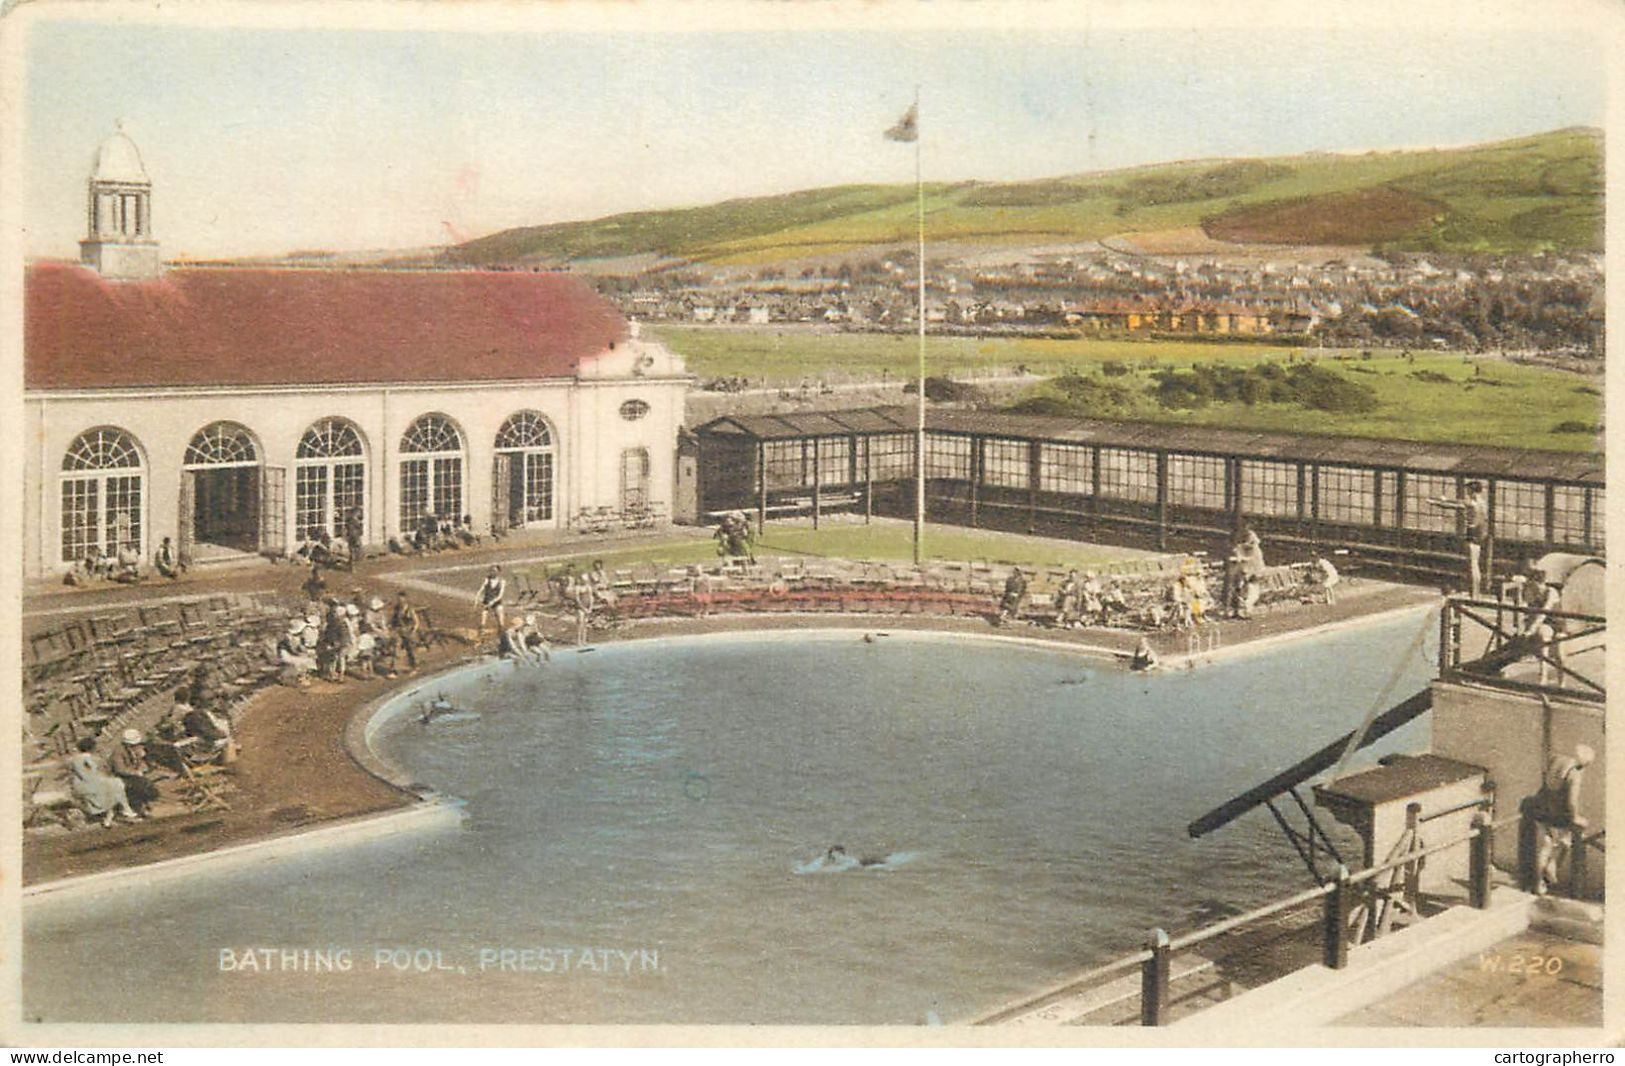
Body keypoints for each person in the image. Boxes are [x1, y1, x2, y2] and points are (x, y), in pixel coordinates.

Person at [1527, 744, 1595, 896]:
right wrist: (1576, 817)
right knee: (1571, 834)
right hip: (1558, 812)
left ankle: (1538, 884)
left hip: (1542, 806)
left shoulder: (1557, 759)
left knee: (1546, 844)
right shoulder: (1575, 773)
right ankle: (1554, 864)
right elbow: (1572, 801)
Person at [1428, 480, 1490, 597]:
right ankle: (1475, 593)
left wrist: (1435, 502)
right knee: (1475, 563)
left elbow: (1453, 505)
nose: (1466, 492)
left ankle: (1474, 594)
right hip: (1481, 533)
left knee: (1472, 564)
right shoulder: (1483, 503)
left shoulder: (1472, 503)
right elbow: (1459, 503)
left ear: (1472, 491)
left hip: (1473, 532)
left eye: (1468, 490)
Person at [66, 737, 139, 827]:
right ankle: (125, 810)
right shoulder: (84, 759)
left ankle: (115, 816)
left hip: (86, 783)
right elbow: (87, 775)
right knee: (116, 785)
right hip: (86, 785)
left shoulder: (79, 758)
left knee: (115, 786)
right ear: (91, 748)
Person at [1518, 559, 1567, 685]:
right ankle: (1542, 679)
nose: (1535, 590)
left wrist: (1531, 630)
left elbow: (1543, 612)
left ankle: (1562, 683)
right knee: (1542, 638)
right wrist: (1527, 630)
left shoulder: (1551, 592)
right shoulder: (1532, 592)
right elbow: (1529, 612)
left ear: (1542, 583)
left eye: (1536, 586)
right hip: (1544, 625)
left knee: (1559, 652)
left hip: (1557, 624)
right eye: (1532, 586)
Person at [110, 729, 160, 817]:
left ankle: (145, 803)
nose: (136, 746)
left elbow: (139, 763)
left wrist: (142, 763)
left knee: (147, 784)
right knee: (139, 786)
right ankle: (138, 808)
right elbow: (119, 769)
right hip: (122, 776)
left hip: (135, 774)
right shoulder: (118, 752)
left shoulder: (136, 749)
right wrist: (135, 772)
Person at [277, 618, 318, 684]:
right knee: (303, 661)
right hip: (286, 655)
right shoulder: (289, 637)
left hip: (292, 654)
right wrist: (306, 652)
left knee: (309, 659)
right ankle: (298, 677)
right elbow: (294, 650)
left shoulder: (298, 636)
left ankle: (303, 676)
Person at [389, 590, 421, 673]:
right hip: (399, 631)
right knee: (396, 648)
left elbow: (416, 622)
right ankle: (395, 669)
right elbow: (393, 619)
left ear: (405, 599)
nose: (400, 600)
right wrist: (392, 627)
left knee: (411, 649)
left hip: (409, 631)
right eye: (399, 598)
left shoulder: (410, 609)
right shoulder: (397, 609)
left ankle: (415, 666)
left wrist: (413, 631)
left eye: (402, 598)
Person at [476, 565, 508, 639]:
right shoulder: (487, 579)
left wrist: (493, 601)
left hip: (496, 601)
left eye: (495, 571)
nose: (493, 572)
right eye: (492, 571)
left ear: (498, 572)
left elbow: (500, 595)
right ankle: (481, 631)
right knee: (483, 615)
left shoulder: (502, 581)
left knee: (500, 615)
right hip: (487, 600)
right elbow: (482, 588)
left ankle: (501, 632)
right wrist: (477, 596)